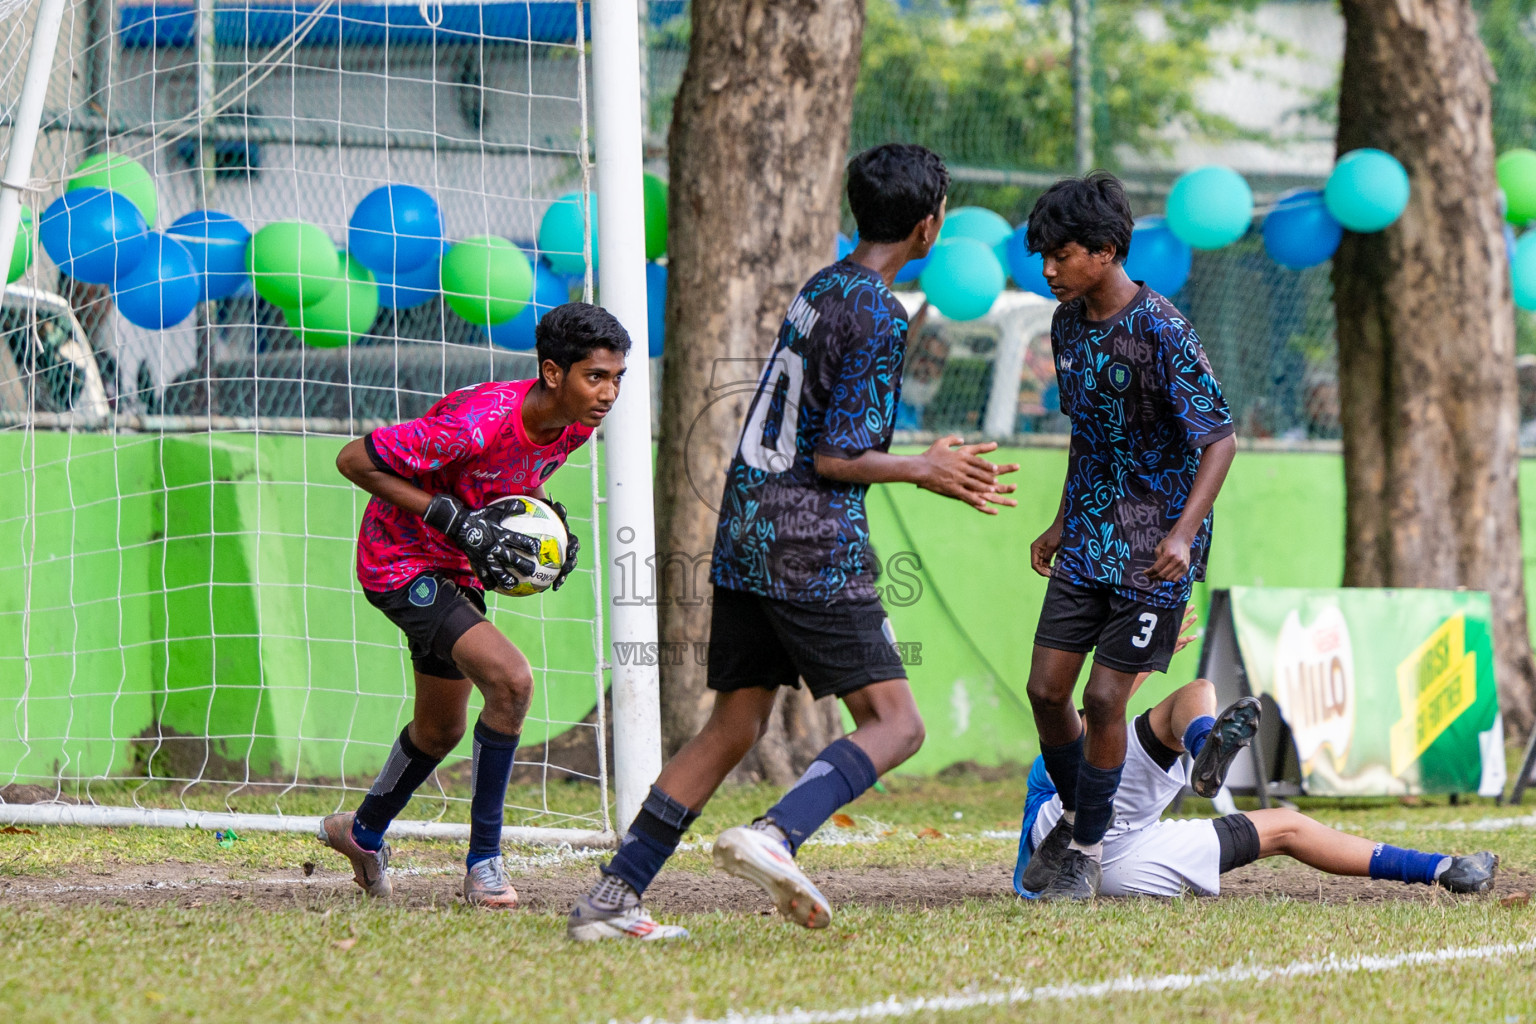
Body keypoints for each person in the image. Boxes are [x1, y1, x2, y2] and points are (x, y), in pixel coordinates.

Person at [566, 143, 1020, 942]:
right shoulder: (880, 309)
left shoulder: (823, 285)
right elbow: (836, 456)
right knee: (897, 724)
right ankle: (776, 833)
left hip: (744, 531)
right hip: (810, 541)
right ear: (930, 226)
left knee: (733, 726)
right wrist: (926, 466)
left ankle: (612, 899)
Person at [319, 302, 627, 909]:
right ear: (552, 373)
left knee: (441, 729)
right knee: (511, 683)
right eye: (597, 377)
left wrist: (544, 530)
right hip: (400, 561)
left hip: (457, 566)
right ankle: (485, 863)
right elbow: (353, 460)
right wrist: (454, 522)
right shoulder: (475, 422)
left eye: (618, 378)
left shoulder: (575, 424)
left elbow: (512, 478)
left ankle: (360, 832)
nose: (610, 393)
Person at [1021, 171, 1239, 900]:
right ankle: (1086, 817)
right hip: (1088, 541)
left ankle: (1083, 849)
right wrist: (1060, 520)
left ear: (1108, 251)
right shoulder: (1065, 323)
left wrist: (1183, 535)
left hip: (1153, 554)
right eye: (1042, 254)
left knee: (1106, 702)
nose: (1048, 268)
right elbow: (1090, 433)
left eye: (1062, 253)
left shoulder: (1163, 328)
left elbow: (1221, 440)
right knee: (1046, 692)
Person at [1014, 674, 1499, 900]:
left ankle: (1444, 869)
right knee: (1194, 693)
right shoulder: (1055, 762)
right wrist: (1135, 664)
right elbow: (1088, 723)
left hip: (1125, 851)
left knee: (1287, 826)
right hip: (1066, 825)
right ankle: (1205, 744)